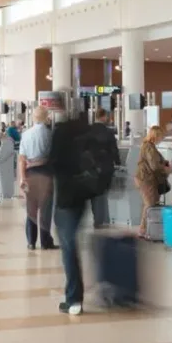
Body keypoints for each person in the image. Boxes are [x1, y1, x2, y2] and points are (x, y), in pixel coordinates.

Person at [50, 108, 120, 315]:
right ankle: (103, 286)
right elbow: (113, 159)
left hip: (66, 197)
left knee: (68, 245)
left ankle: (74, 299)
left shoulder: (62, 132)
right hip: (86, 193)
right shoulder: (93, 132)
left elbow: (54, 164)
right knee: (81, 240)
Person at [18, 106, 55, 250]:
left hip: (30, 172)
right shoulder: (50, 134)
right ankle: (45, 241)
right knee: (45, 209)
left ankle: (31, 241)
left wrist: (23, 178)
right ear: (46, 117)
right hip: (46, 172)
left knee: (31, 208)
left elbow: (22, 158)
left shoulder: (26, 135)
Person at [134, 125, 171, 240]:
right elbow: (154, 166)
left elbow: (156, 161)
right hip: (146, 179)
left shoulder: (149, 146)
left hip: (146, 178)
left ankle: (147, 229)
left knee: (151, 202)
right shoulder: (149, 147)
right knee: (150, 203)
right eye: (161, 136)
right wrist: (166, 169)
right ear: (156, 136)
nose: (162, 138)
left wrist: (164, 162)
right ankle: (143, 230)